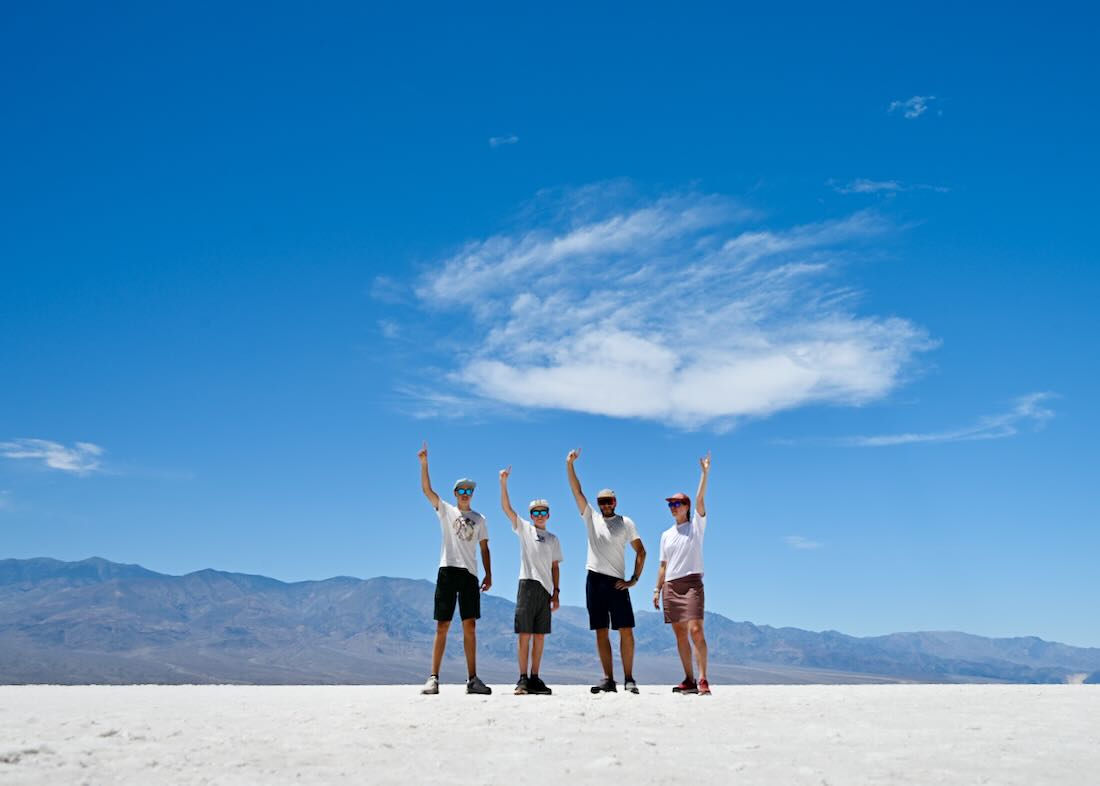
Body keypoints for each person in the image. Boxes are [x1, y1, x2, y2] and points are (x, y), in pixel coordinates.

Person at [566, 448, 646, 694]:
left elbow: (641, 551)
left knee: (625, 630)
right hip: (594, 580)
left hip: (616, 583)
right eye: (601, 502)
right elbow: (577, 491)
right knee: (600, 630)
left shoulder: (626, 522)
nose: (605, 505)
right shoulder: (591, 517)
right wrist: (570, 465)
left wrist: (633, 580)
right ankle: (608, 679)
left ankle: (629, 678)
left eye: (609, 501)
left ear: (616, 502)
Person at [417, 442, 493, 695]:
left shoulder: (481, 519)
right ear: (455, 493)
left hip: (470, 575)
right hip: (448, 570)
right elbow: (427, 490)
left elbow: (484, 548)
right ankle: (433, 678)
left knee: (470, 626)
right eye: (461, 489)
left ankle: (472, 679)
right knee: (443, 625)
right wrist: (424, 463)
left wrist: (488, 574)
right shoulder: (446, 511)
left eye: (469, 490)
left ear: (472, 494)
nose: (465, 493)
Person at [499, 466, 563, 695]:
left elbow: (555, 566)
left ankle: (535, 677)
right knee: (524, 634)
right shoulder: (525, 530)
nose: (539, 516)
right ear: (530, 516)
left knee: (540, 636)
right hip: (527, 584)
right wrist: (503, 482)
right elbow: (506, 509)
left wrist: (556, 593)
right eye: (535, 513)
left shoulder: (554, 539)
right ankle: (522, 678)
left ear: (548, 514)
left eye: (543, 512)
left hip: (545, 590)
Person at [653, 452, 712, 695]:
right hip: (671, 586)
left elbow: (700, 499)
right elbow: (663, 565)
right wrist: (657, 589)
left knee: (696, 630)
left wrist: (704, 473)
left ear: (686, 507)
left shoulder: (696, 527)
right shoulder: (666, 535)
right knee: (679, 635)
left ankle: (703, 679)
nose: (673, 507)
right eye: (670, 505)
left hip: (691, 584)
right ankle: (688, 679)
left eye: (677, 504)